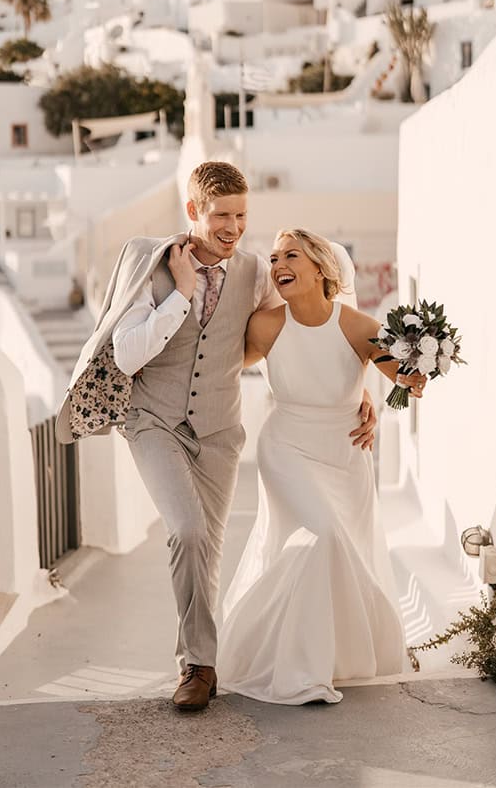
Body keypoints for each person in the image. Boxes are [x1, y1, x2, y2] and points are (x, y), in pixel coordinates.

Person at [56, 162, 377, 712]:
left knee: (210, 544)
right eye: (221, 215)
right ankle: (197, 668)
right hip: (153, 420)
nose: (233, 226)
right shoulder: (149, 261)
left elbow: (302, 335)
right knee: (186, 529)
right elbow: (130, 353)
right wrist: (180, 293)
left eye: (241, 215)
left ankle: (199, 657)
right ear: (193, 213)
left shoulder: (255, 272)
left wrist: (361, 391)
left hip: (220, 430)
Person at [217, 228, 426, 705]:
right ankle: (304, 672)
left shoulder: (358, 325)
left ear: (320, 267)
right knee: (324, 536)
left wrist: (407, 379)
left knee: (339, 550)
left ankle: (333, 659)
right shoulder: (265, 326)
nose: (279, 264)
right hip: (287, 448)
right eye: (274, 258)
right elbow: (217, 367)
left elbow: (403, 382)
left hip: (345, 453)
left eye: (291, 254)